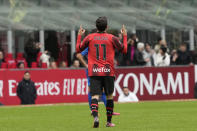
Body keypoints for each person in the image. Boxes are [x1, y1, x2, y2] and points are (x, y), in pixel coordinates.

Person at [76, 16, 127, 128]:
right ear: (107, 27)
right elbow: (124, 50)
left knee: (94, 95)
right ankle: (108, 122)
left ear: (96, 27)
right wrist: (124, 36)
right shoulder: (112, 38)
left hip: (94, 71)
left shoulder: (90, 37)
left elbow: (78, 49)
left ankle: (95, 117)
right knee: (109, 96)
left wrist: (80, 35)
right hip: (108, 71)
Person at [76, 47, 120, 116]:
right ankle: (92, 110)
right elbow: (79, 55)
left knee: (103, 89)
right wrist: (86, 65)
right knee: (92, 90)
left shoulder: (102, 46)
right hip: (93, 69)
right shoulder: (91, 46)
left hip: (101, 69)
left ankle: (109, 110)